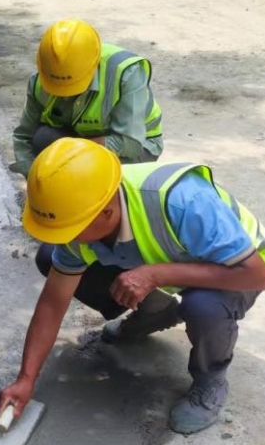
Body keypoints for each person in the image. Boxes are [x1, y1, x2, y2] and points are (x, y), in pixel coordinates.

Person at [0, 138, 265, 435]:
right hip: (168, 261)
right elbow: (54, 301)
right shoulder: (82, 213)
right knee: (50, 257)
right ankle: (156, 312)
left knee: (203, 307)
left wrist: (156, 275)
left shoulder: (183, 201)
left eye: (71, 229)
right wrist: (26, 378)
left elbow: (257, 276)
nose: (66, 238)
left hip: (237, 268)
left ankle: (211, 381)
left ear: (106, 213)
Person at [12, 19, 175, 342]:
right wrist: (41, 182)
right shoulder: (42, 80)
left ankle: (148, 293)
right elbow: (24, 137)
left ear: (94, 64)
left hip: (132, 151)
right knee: (44, 141)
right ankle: (146, 302)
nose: (64, 94)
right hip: (84, 143)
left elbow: (129, 142)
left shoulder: (126, 72)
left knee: (103, 223)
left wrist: (75, 160)